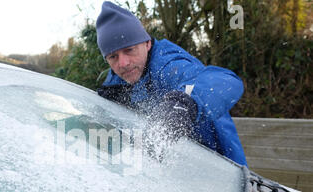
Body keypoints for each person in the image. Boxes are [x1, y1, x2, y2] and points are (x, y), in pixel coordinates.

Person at [96, 1, 247, 166]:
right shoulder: (114, 85)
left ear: (147, 44)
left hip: (224, 169)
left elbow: (226, 81)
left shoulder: (169, 66)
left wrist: (183, 104)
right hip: (174, 172)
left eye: (129, 50)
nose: (123, 63)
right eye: (113, 57)